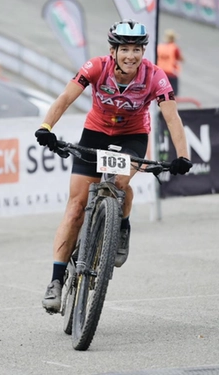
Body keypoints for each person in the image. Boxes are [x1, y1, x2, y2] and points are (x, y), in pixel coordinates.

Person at [34, 19, 192, 314]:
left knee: (120, 184)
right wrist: (46, 126)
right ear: (113, 51)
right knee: (76, 206)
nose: (131, 56)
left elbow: (172, 117)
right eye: (125, 50)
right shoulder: (95, 67)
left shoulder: (156, 77)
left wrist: (182, 156)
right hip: (95, 134)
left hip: (132, 137)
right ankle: (55, 281)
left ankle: (121, 226)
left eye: (136, 49)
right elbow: (66, 97)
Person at [157, 29, 184, 96]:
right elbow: (181, 59)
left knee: (161, 93)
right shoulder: (175, 48)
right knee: (174, 94)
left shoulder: (160, 47)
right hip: (171, 72)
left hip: (161, 72)